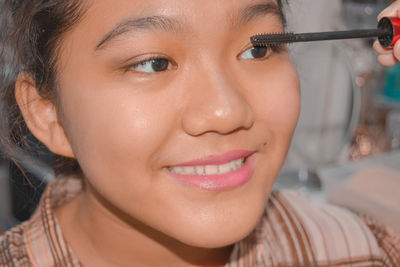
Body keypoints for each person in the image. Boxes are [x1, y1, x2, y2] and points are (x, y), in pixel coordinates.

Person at [0, 0, 399, 266]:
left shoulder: (362, 251)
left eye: (257, 50)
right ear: (48, 114)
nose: (226, 112)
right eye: (154, 63)